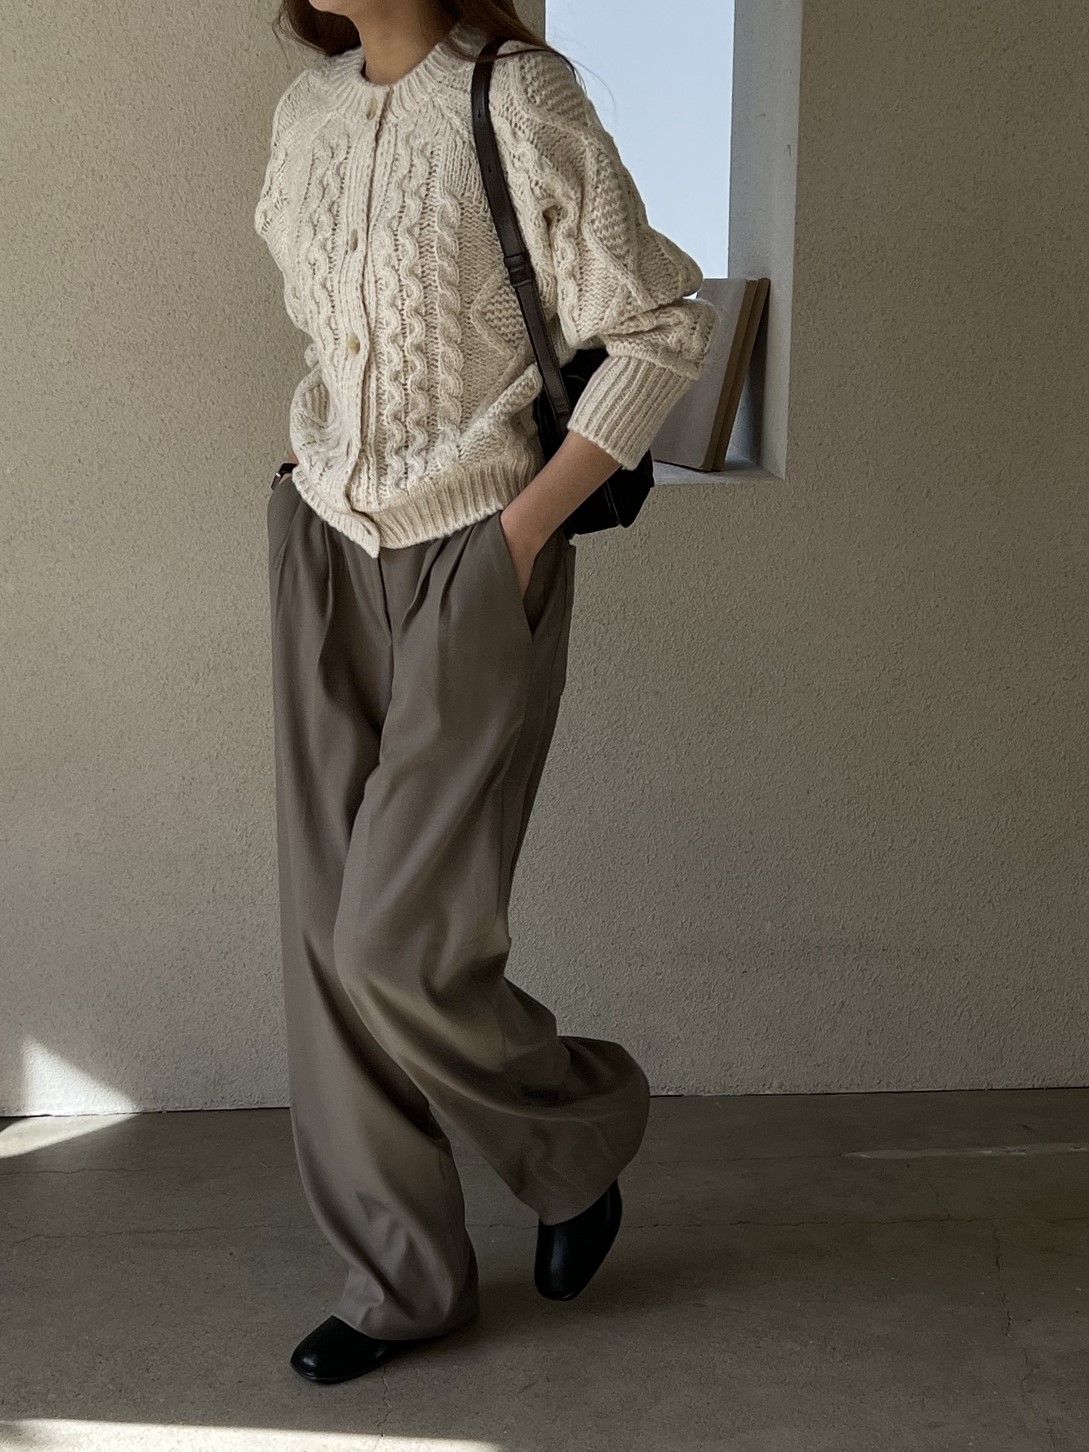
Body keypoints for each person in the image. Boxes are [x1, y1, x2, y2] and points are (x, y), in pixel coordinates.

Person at [254, 0, 717, 1385]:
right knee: (326, 944)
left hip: (472, 550)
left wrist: (518, 532)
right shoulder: (306, 113)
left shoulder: (520, 97)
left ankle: (571, 1142)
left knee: (395, 941)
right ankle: (398, 1281)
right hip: (320, 544)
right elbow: (337, 340)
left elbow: (657, 329)